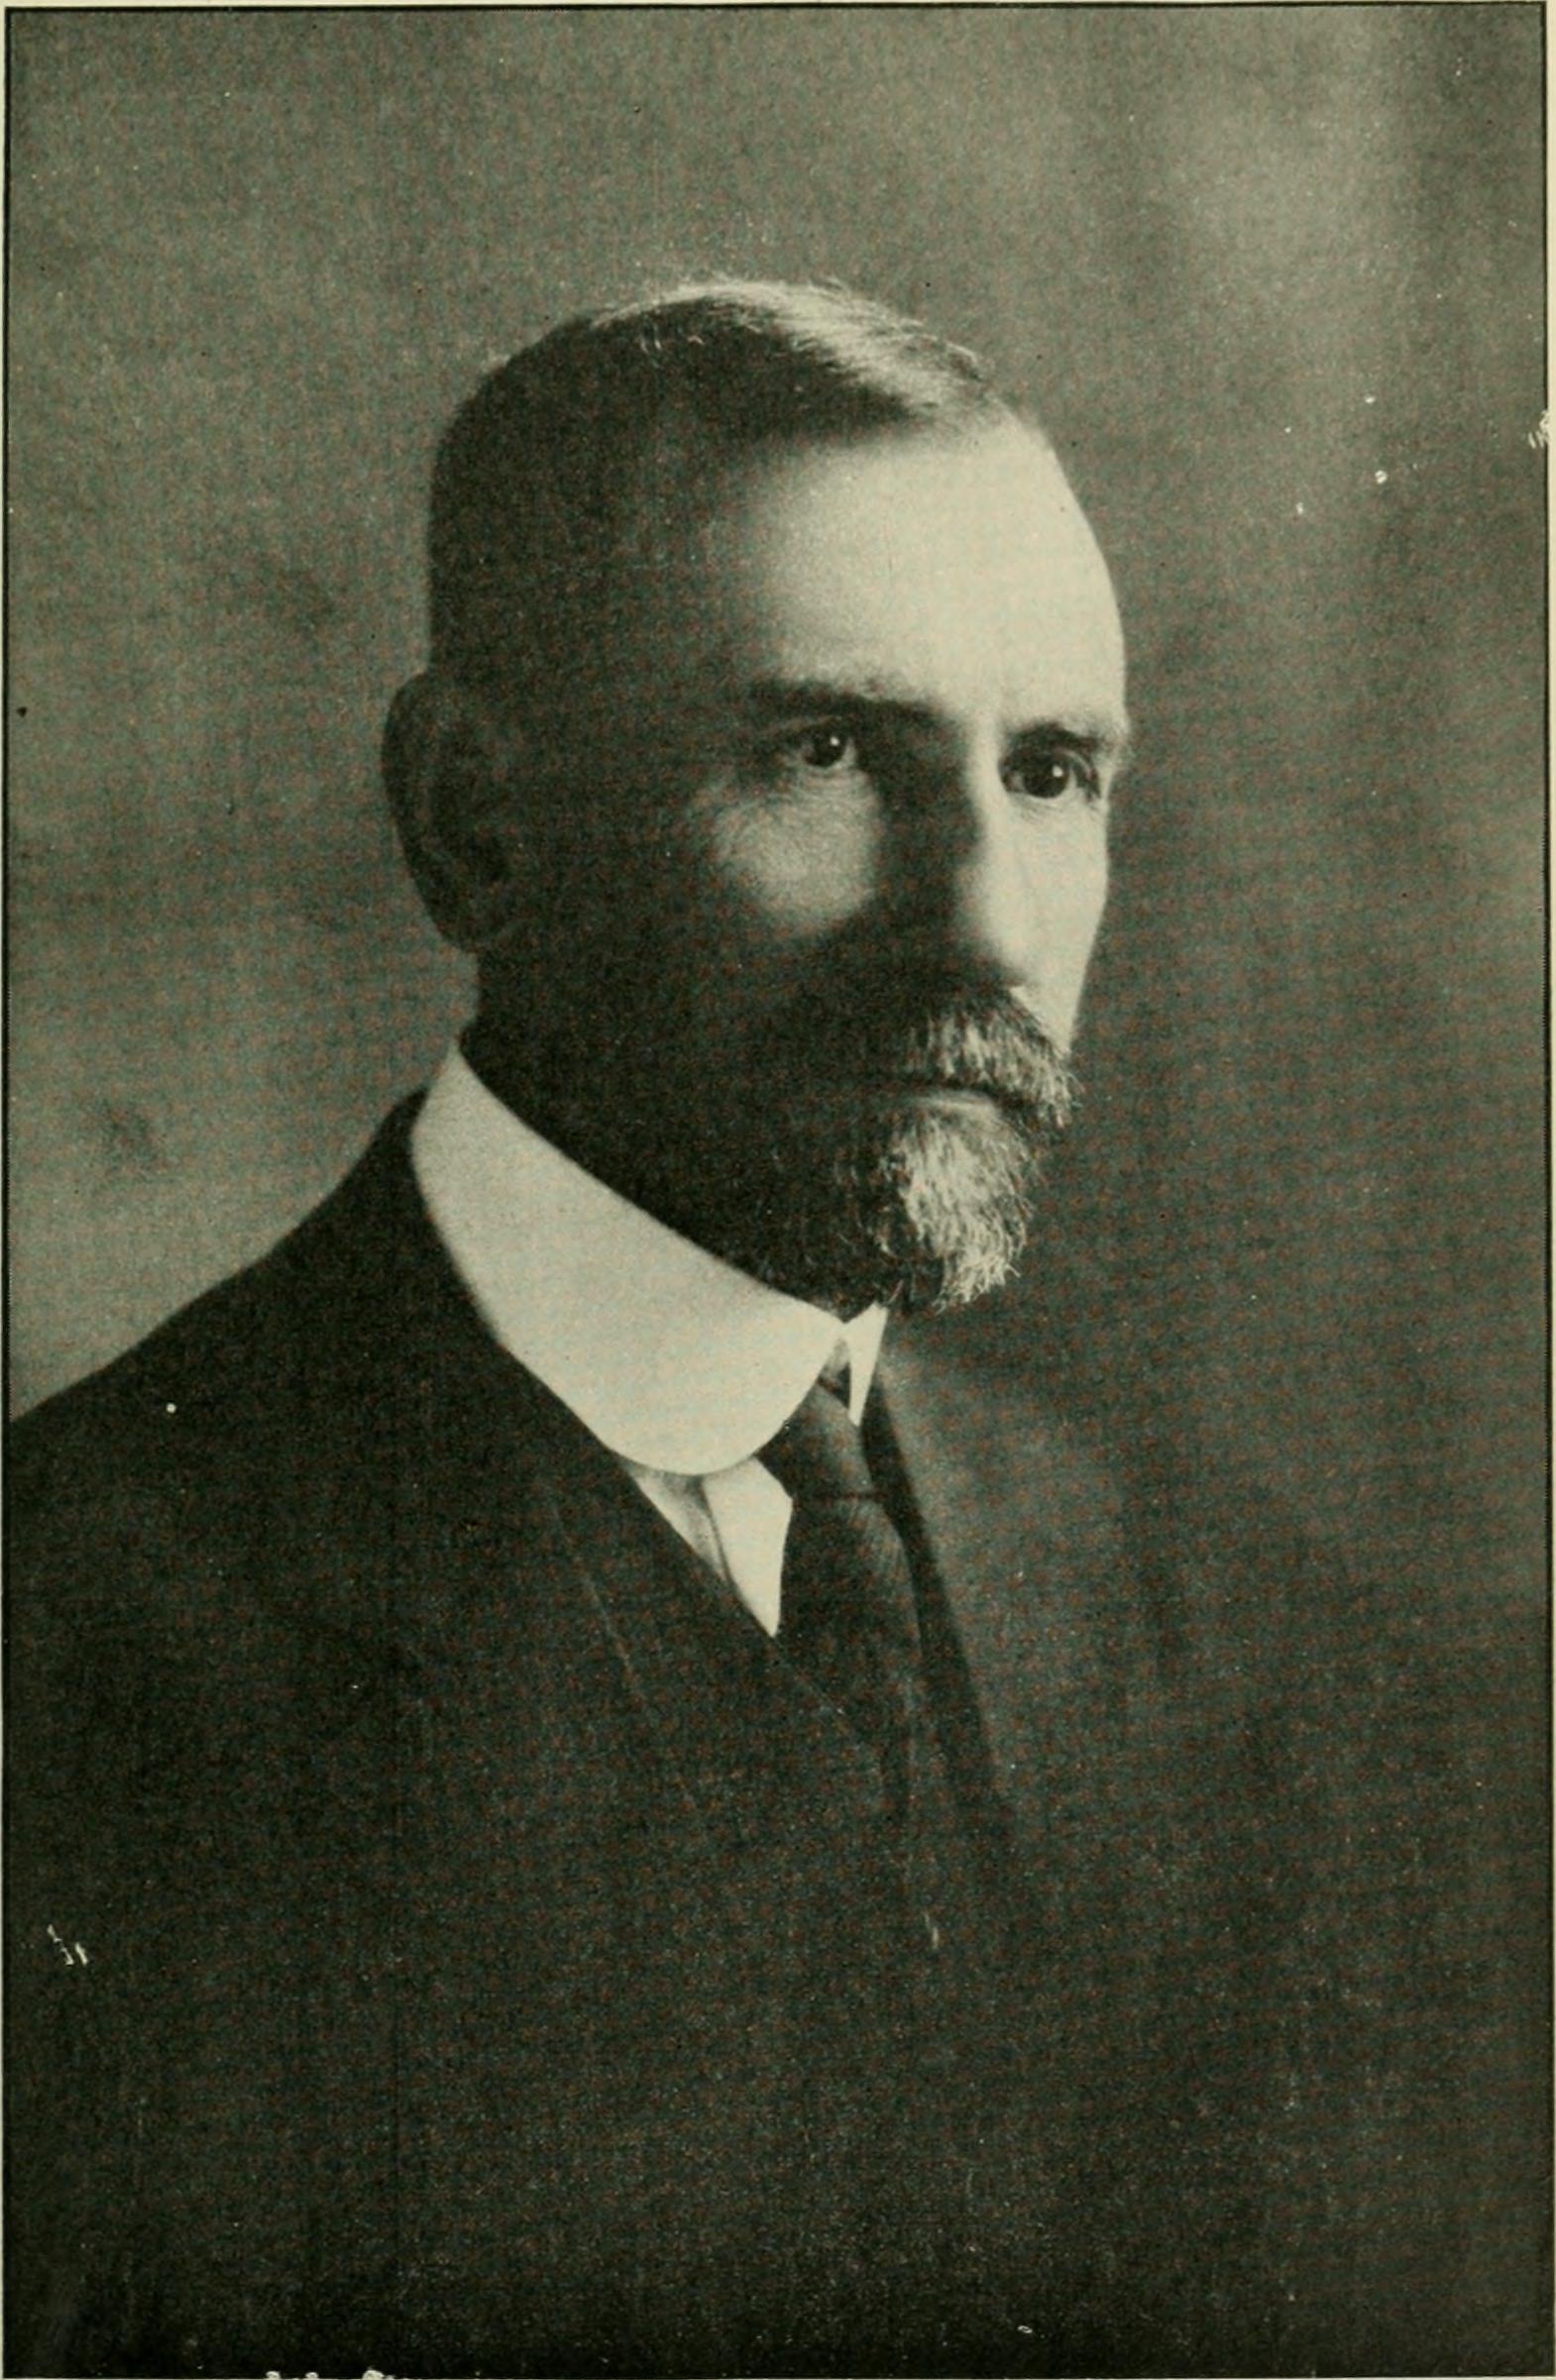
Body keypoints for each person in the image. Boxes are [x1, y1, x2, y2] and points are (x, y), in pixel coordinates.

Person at [6, 281, 1542, 2379]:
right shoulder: (70, 1647)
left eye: (1052, 772)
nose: (987, 920)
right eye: (827, 754)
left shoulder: (1222, 1633)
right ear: (474, 819)